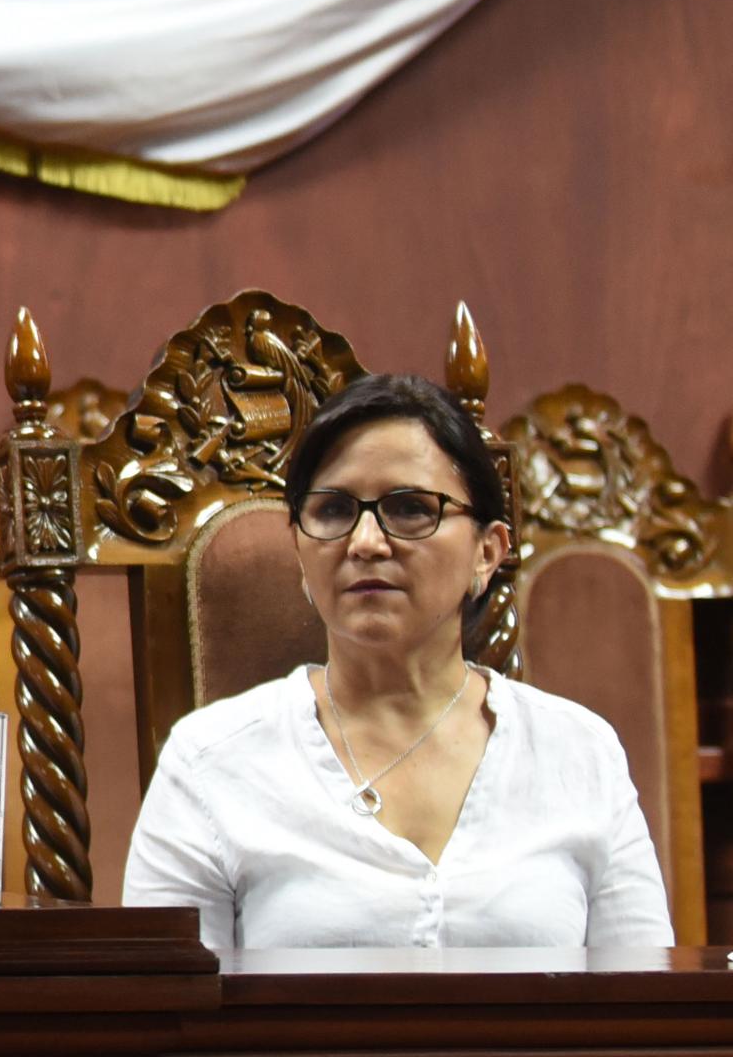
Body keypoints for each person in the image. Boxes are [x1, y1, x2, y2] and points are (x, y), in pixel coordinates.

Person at [122, 372, 669, 950]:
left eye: (409, 509)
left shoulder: (579, 753)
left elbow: (644, 1007)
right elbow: (163, 1018)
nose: (364, 542)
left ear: (488, 553)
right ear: (300, 553)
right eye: (332, 510)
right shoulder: (211, 761)